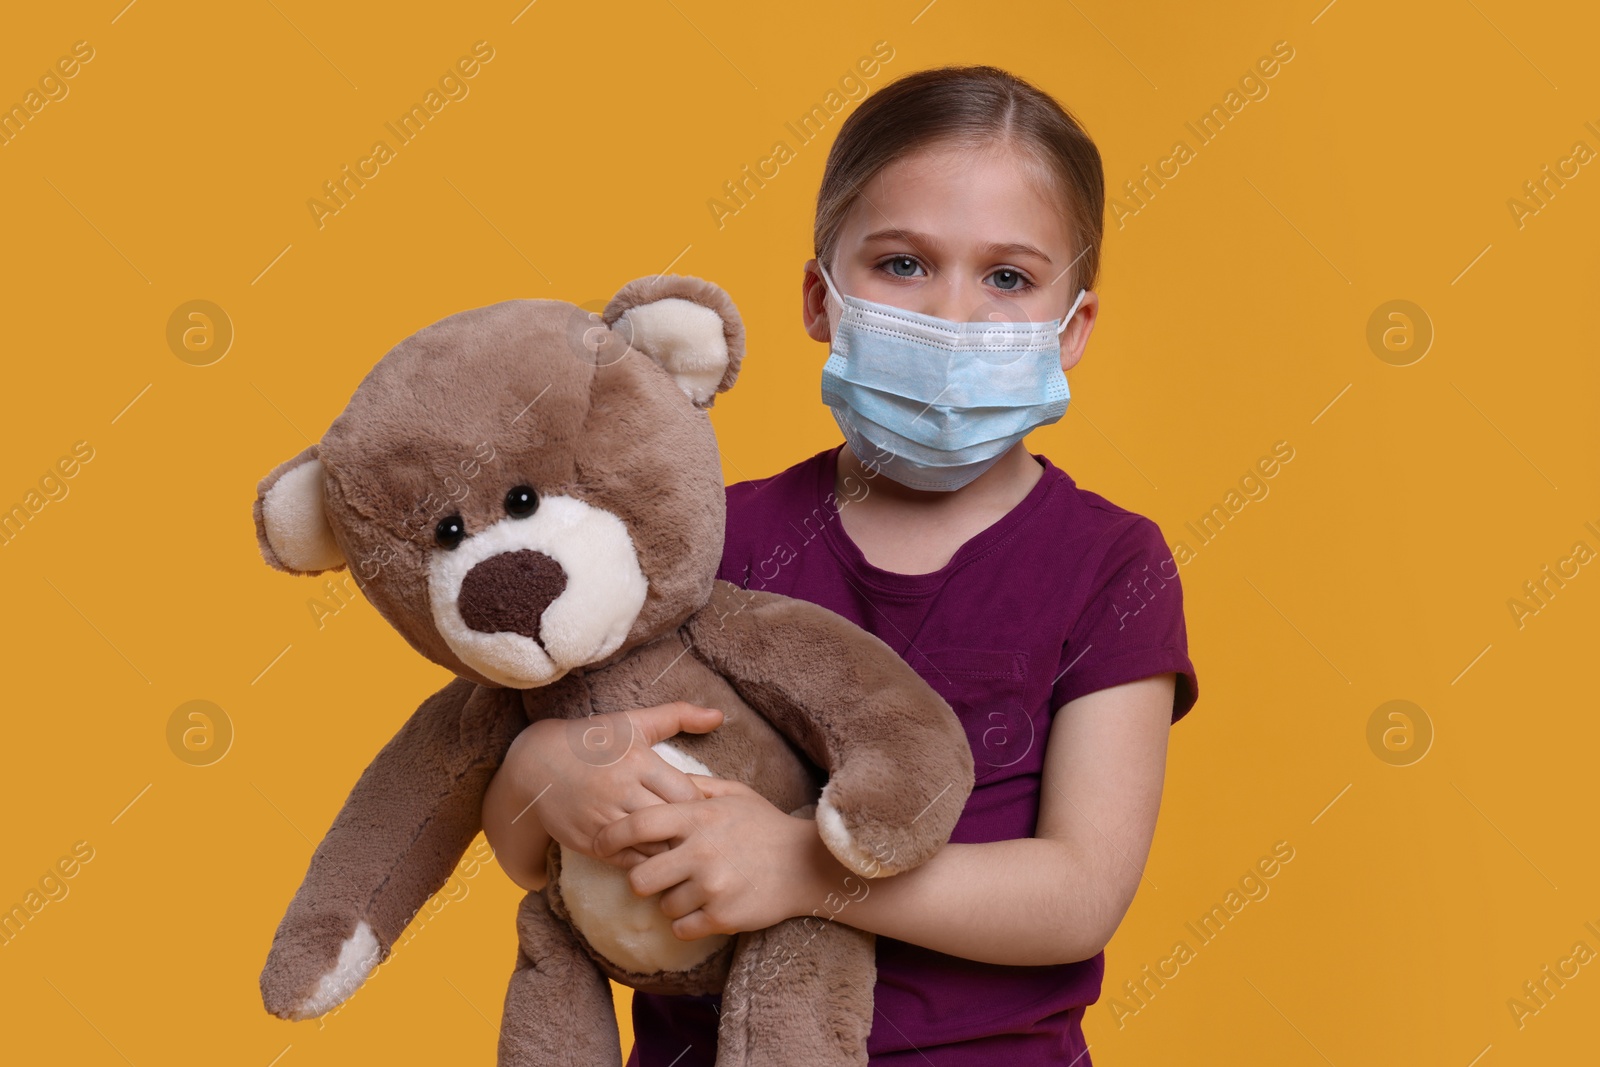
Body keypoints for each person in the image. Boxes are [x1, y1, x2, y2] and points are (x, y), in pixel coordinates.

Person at [481, 64, 1199, 1065]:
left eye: (1007, 278)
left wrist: (811, 870)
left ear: (1069, 328)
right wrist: (534, 772)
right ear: (821, 299)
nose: (951, 316)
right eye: (902, 264)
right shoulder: (695, 538)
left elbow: (1078, 892)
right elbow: (540, 858)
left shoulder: (1110, 563)